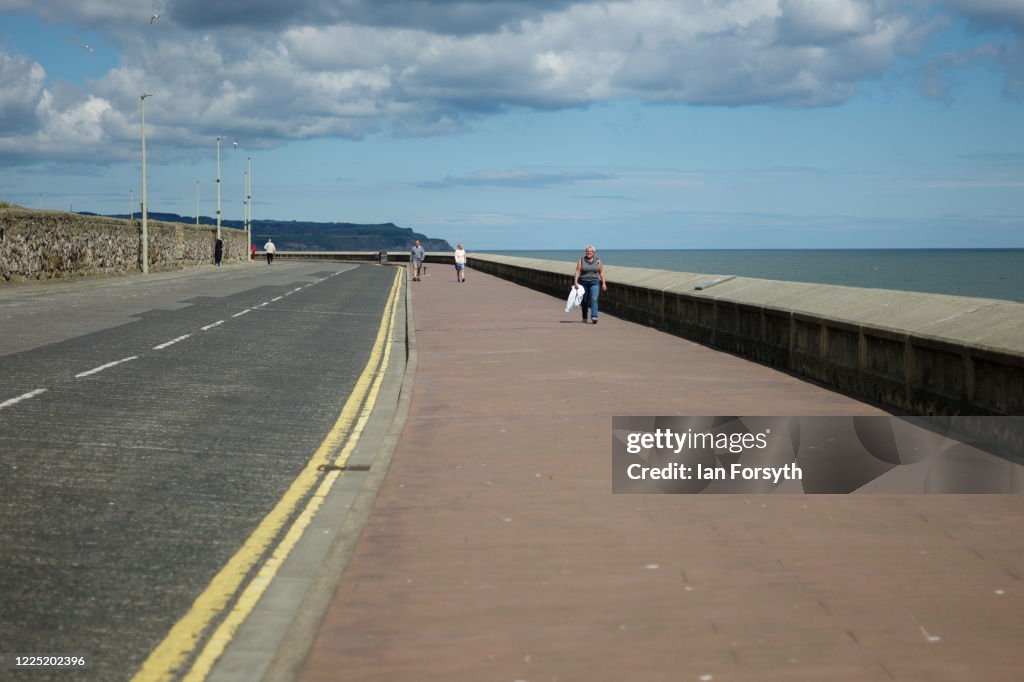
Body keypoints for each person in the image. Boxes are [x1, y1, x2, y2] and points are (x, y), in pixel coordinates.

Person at [573, 245, 607, 324]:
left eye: (590, 251)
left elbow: (601, 273)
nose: (588, 253)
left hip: (595, 282)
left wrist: (604, 284)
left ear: (593, 253)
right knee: (584, 301)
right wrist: (575, 282)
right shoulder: (581, 260)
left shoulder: (598, 261)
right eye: (587, 251)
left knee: (594, 299)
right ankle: (584, 317)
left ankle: (594, 316)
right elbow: (577, 272)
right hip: (583, 283)